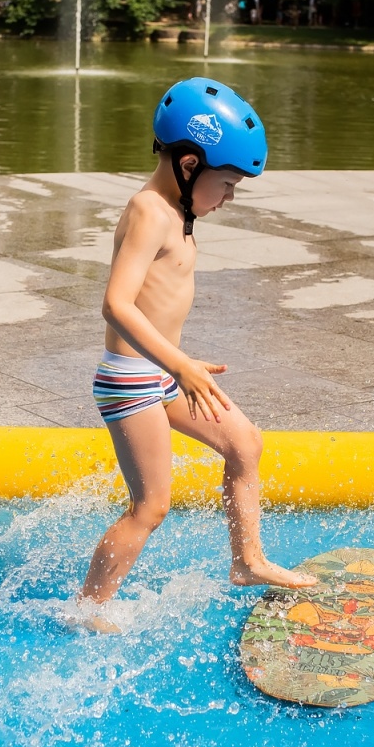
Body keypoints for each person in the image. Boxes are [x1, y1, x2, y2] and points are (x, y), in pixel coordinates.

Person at [73, 78, 316, 628]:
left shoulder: (177, 211)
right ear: (188, 165)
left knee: (244, 443)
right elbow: (116, 304)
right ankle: (89, 609)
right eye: (226, 184)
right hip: (133, 381)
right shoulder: (149, 210)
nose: (228, 197)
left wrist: (178, 362)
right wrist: (178, 364)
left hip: (164, 373)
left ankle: (247, 562)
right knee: (152, 506)